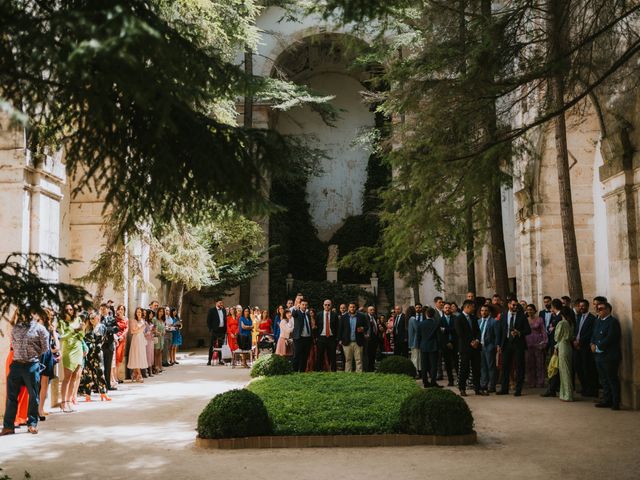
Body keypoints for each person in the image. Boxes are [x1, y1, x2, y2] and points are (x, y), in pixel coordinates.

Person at [1, 307, 49, 436]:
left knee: (33, 396)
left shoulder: (40, 329)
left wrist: (33, 355)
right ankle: (8, 426)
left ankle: (32, 424)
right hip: (16, 365)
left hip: (31, 365)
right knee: (11, 397)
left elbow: (45, 348)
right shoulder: (15, 328)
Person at [497, 297, 531, 397]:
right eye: (513, 305)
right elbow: (500, 331)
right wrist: (499, 344)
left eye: (516, 305)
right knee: (505, 367)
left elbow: (528, 330)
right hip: (506, 344)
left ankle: (518, 389)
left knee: (519, 367)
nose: (515, 307)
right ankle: (504, 389)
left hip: (518, 344)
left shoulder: (522, 316)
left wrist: (519, 332)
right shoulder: (503, 316)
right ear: (508, 305)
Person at [591, 302, 621, 410]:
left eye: (601, 309)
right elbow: (594, 334)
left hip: (609, 356)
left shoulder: (612, 322)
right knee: (603, 379)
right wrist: (592, 344)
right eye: (597, 309)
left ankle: (615, 402)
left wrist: (598, 345)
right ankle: (606, 400)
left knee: (612, 379)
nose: (598, 311)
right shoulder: (598, 320)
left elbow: (611, 337)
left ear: (608, 309)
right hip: (599, 356)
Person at [78, 312, 111, 402]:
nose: (92, 320)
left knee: (100, 371)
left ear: (98, 318)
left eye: (94, 318)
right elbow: (84, 338)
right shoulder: (88, 328)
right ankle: (88, 395)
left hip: (97, 352)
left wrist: (89, 337)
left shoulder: (101, 327)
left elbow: (97, 338)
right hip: (89, 353)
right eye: (91, 318)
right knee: (88, 373)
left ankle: (103, 393)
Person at [59, 303, 85, 413]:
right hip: (68, 350)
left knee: (75, 376)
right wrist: (74, 331)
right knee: (67, 377)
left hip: (78, 348)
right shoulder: (62, 322)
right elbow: (62, 337)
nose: (70, 311)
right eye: (67, 309)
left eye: (71, 309)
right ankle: (63, 402)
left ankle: (69, 401)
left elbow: (82, 335)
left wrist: (82, 329)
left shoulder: (78, 319)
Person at [454, 300, 481, 396]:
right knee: (464, 369)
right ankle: (462, 388)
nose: (474, 309)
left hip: (475, 348)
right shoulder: (458, 318)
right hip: (465, 348)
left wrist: (477, 340)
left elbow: (478, 331)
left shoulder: (474, 318)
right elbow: (460, 334)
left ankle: (478, 389)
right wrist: (471, 342)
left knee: (476, 369)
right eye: (473, 307)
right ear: (467, 307)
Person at [573, 299, 598, 397]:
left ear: (587, 307)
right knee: (578, 367)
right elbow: (576, 330)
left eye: (583, 306)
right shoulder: (578, 317)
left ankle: (591, 389)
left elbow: (591, 332)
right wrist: (575, 340)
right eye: (579, 306)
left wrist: (580, 341)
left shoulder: (592, 319)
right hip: (576, 346)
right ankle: (584, 387)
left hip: (585, 347)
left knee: (587, 368)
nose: (581, 307)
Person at [38, 308, 59, 420]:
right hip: (38, 355)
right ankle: (35, 408)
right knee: (36, 382)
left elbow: (57, 345)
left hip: (47, 355)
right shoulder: (36, 326)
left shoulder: (50, 328)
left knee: (45, 383)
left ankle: (40, 409)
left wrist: (54, 332)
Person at [542, 298, 563, 397]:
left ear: (553, 307)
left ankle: (552, 389)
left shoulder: (560, 317)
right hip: (553, 344)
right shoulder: (555, 316)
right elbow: (550, 327)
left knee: (553, 367)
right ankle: (553, 388)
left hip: (556, 345)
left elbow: (556, 331)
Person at [338, 302, 368, 372]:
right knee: (348, 360)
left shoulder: (362, 316)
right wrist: (340, 340)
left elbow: (367, 327)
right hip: (347, 342)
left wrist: (363, 328)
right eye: (351, 307)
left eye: (353, 307)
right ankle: (348, 377)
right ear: (348, 308)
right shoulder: (343, 317)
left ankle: (359, 376)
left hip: (358, 342)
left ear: (356, 308)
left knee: (359, 360)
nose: (352, 308)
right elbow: (340, 329)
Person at [416, 307, 440, 388]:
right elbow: (438, 337)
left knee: (424, 365)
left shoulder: (421, 324)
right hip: (433, 346)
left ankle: (425, 382)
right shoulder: (436, 324)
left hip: (423, 346)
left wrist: (419, 346)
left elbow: (418, 336)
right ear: (433, 315)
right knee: (433, 365)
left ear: (426, 314)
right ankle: (433, 381)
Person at [525, 303, 548, 388]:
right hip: (528, 343)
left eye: (531, 309)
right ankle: (531, 381)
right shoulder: (525, 320)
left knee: (539, 363)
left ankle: (540, 381)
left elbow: (543, 331)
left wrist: (544, 342)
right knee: (530, 364)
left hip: (538, 343)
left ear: (534, 310)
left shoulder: (539, 319)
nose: (529, 311)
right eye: (528, 310)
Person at [555, 307, 575, 402]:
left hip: (562, 346)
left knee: (564, 372)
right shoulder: (571, 323)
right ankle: (567, 393)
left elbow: (556, 336)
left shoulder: (562, 323)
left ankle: (567, 395)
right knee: (568, 371)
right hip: (568, 347)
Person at [478, 304, 499, 394]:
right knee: (483, 367)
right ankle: (484, 384)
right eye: (482, 310)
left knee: (491, 367)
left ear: (489, 312)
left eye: (485, 310)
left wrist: (494, 346)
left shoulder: (493, 322)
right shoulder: (478, 321)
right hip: (480, 347)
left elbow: (497, 336)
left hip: (489, 347)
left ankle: (492, 385)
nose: (483, 312)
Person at [99, 303, 118, 392]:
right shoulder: (98, 319)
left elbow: (116, 329)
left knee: (108, 366)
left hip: (109, 345)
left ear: (107, 309)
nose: (102, 311)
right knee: (99, 366)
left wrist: (107, 329)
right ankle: (99, 385)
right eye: (101, 309)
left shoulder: (112, 319)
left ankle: (108, 385)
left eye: (104, 309)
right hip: (100, 345)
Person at [438, 302, 457, 387]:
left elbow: (456, 330)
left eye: (449, 308)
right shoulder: (440, 320)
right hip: (445, 344)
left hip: (455, 343)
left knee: (456, 363)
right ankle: (450, 380)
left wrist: (445, 329)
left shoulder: (455, 318)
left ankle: (459, 380)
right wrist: (447, 342)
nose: (447, 309)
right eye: (446, 308)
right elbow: (440, 334)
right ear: (443, 309)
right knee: (447, 364)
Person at [316, 299, 339, 371]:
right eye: (325, 305)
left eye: (328, 305)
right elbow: (316, 327)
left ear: (331, 306)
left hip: (331, 338)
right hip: (321, 338)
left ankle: (333, 371)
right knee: (320, 356)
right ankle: (319, 370)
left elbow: (337, 327)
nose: (327, 306)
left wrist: (337, 339)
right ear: (323, 305)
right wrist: (317, 337)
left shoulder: (334, 315)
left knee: (332, 356)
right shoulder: (319, 314)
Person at [292, 299, 313, 372]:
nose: (304, 306)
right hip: (299, 338)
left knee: (305, 357)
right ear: (300, 305)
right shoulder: (297, 313)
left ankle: (302, 372)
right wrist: (296, 308)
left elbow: (309, 325)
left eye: (306, 305)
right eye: (303, 305)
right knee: (297, 356)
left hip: (307, 339)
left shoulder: (307, 314)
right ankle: (294, 372)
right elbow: (293, 314)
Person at [127, 307, 148, 382]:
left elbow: (143, 331)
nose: (138, 313)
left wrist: (144, 331)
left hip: (141, 339)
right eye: (137, 312)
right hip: (136, 339)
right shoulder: (133, 320)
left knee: (140, 355)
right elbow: (132, 332)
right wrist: (141, 328)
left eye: (140, 312)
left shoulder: (143, 320)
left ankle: (135, 373)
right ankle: (139, 374)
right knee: (136, 355)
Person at [207, 300, 227, 366]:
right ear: (216, 303)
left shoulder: (224, 310)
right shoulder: (211, 310)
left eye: (222, 302)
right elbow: (208, 320)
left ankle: (220, 360)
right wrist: (211, 329)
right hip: (214, 331)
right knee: (211, 345)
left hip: (222, 330)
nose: (221, 304)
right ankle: (209, 360)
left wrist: (225, 329)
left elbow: (225, 320)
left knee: (221, 346)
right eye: (220, 302)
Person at [114, 305, 128, 384]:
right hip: (116, 339)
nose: (120, 310)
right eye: (119, 309)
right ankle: (114, 377)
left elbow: (127, 328)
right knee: (116, 357)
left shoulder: (126, 319)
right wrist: (118, 337)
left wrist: (122, 336)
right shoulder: (115, 319)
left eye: (122, 309)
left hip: (122, 339)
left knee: (119, 358)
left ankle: (117, 376)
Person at [364, 305, 379, 372]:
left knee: (373, 354)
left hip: (374, 339)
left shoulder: (375, 317)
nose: (372, 311)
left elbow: (376, 327)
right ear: (368, 310)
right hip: (368, 339)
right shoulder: (365, 317)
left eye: (373, 310)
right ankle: (367, 369)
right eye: (371, 310)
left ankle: (372, 368)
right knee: (368, 354)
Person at [407, 305, 420, 377]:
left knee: (413, 357)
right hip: (415, 342)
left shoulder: (409, 319)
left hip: (411, 341)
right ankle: (415, 372)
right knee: (415, 358)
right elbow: (417, 330)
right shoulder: (413, 319)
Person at [153, 307, 166, 374]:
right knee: (156, 352)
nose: (161, 313)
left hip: (161, 338)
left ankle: (160, 366)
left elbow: (164, 328)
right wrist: (157, 332)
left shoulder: (163, 320)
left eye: (162, 311)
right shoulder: (155, 319)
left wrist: (164, 332)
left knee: (160, 352)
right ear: (157, 312)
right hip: (156, 338)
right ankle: (155, 367)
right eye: (160, 311)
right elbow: (152, 328)